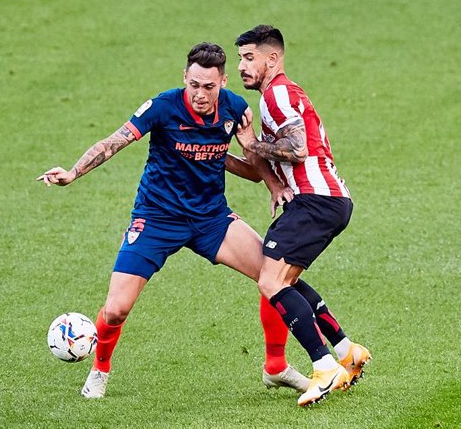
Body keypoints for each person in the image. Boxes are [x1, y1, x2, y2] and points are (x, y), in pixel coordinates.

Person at [37, 42, 309, 399]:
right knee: (116, 309)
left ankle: (276, 367)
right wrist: (73, 172)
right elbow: (114, 141)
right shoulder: (163, 106)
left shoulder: (235, 109)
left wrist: (272, 184)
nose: (199, 93)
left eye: (208, 86)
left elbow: (253, 163)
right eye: (193, 84)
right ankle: (100, 368)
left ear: (223, 83)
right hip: (156, 219)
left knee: (273, 276)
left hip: (211, 218)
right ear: (185, 77)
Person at [234, 25, 372, 406]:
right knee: (284, 280)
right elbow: (261, 164)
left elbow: (296, 149)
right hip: (326, 200)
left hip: (316, 199)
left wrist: (250, 143)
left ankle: (324, 366)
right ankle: (346, 351)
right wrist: (217, 158)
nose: (242, 66)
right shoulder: (281, 94)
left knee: (271, 282)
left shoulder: (276, 93)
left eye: (250, 58)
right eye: (240, 58)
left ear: (272, 58)